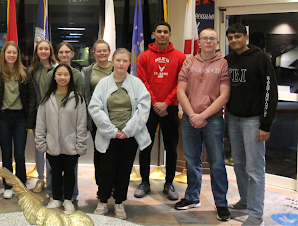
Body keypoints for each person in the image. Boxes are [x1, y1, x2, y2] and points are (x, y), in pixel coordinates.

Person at [174, 28, 231, 222]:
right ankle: (192, 197)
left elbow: (224, 95)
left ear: (217, 42)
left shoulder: (223, 64)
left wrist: (203, 115)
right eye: (205, 38)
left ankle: (221, 203)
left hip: (213, 119)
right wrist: (192, 115)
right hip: (189, 119)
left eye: (212, 39)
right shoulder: (189, 63)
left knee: (216, 162)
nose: (208, 41)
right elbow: (181, 91)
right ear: (199, 41)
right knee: (191, 160)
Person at [89, 48, 151, 219]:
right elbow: (95, 107)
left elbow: (143, 108)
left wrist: (128, 130)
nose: (121, 64)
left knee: (124, 170)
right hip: (109, 135)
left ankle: (119, 203)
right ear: (113, 61)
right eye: (118, 60)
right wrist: (111, 130)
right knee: (106, 170)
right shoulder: (103, 83)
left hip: (129, 136)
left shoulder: (137, 83)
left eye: (125, 61)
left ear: (130, 63)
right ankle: (102, 201)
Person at [225, 23, 277, 226]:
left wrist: (266, 123)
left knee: (255, 168)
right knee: (238, 164)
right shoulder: (228, 60)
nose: (234, 40)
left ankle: (256, 213)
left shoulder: (260, 58)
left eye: (237, 36)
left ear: (246, 37)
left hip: (254, 121)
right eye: (230, 37)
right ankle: (245, 201)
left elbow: (269, 91)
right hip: (233, 119)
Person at [135, 22, 186, 201]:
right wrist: (156, 103)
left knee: (171, 148)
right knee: (145, 146)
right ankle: (144, 183)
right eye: (159, 32)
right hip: (149, 108)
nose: (162, 34)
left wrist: (167, 102)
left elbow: (181, 82)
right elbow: (142, 81)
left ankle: (169, 183)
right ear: (153, 34)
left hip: (170, 108)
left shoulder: (180, 57)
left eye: (165, 32)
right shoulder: (144, 57)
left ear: (170, 34)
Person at [0, 41, 36, 199]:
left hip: (20, 117)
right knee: (6, 154)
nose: (11, 55)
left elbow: (32, 98)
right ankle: (8, 185)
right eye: (8, 52)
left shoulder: (25, 73)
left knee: (20, 154)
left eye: (14, 52)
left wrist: (29, 122)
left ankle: (21, 185)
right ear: (3, 55)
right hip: (3, 118)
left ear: (18, 55)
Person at [35, 64, 88, 212]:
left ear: (70, 77)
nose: (62, 77)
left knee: (70, 173)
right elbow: (40, 123)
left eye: (65, 75)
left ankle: (68, 199)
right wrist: (41, 143)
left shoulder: (78, 99)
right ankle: (56, 198)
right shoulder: (46, 99)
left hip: (71, 146)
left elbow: (81, 124)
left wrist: (80, 144)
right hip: (52, 145)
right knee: (55, 172)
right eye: (59, 74)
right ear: (54, 77)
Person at [44, 42, 85, 201]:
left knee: (70, 168)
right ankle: (53, 194)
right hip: (53, 129)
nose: (64, 55)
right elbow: (47, 99)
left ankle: (71, 195)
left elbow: (82, 100)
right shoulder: (50, 74)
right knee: (52, 167)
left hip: (71, 127)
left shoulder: (78, 75)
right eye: (60, 52)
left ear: (72, 54)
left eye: (67, 52)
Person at [81, 40, 113, 185]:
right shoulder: (87, 71)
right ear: (94, 54)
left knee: (113, 151)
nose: (102, 53)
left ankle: (112, 184)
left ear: (109, 52)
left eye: (104, 50)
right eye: (98, 51)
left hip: (115, 117)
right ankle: (101, 185)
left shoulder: (117, 68)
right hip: (96, 117)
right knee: (100, 150)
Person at [29, 39, 58, 193]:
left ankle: (52, 179)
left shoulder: (57, 68)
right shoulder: (33, 70)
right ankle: (40, 179)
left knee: (53, 147)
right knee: (39, 147)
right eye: (40, 49)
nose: (43, 52)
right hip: (38, 113)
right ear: (37, 51)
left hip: (55, 113)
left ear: (50, 51)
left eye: (46, 49)